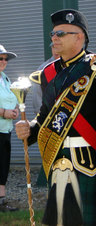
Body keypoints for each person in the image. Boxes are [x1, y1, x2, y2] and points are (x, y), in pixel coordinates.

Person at [15, 9, 96, 226]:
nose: (54, 38)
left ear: (79, 37)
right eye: (53, 33)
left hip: (91, 165)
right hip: (58, 162)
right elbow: (46, 117)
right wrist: (30, 128)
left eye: (61, 33)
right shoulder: (48, 74)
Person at [0, 44, 19, 212]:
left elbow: (13, 99)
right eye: (1, 58)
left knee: (3, 165)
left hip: (5, 129)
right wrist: (4, 112)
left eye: (5, 59)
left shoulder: (5, 78)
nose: (4, 61)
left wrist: (15, 110)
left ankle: (1, 202)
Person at [30, 43, 60, 115]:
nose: (55, 51)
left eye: (58, 47)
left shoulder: (74, 66)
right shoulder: (43, 69)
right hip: (49, 116)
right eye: (53, 47)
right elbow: (37, 95)